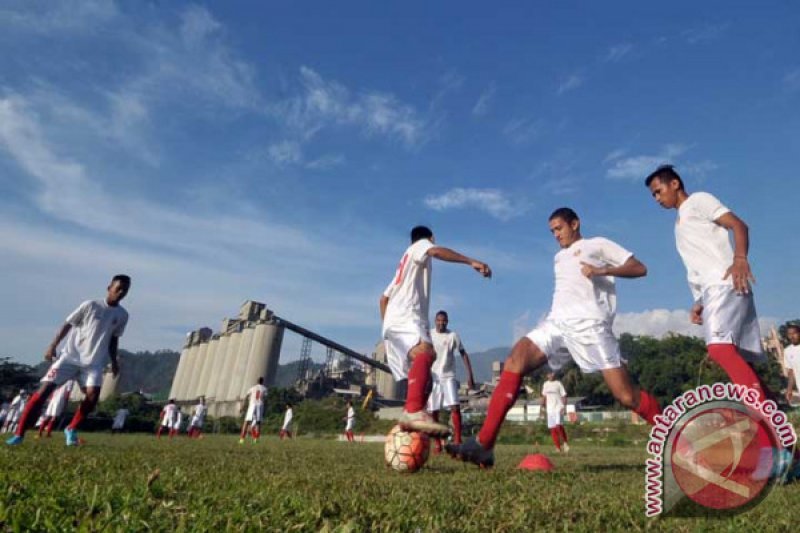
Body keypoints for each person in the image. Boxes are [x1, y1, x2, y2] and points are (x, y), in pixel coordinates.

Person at [447, 208, 662, 467]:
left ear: (575, 223)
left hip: (590, 325)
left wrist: (600, 271)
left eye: (559, 228)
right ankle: (485, 443)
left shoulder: (597, 244)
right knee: (516, 359)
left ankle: (679, 437)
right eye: (552, 231)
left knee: (627, 396)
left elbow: (639, 268)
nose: (556, 235)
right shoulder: (559, 258)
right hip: (557, 324)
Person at [645, 165, 771, 401]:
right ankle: (775, 417)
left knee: (719, 349)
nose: (656, 198)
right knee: (736, 357)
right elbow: (694, 265)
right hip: (711, 290)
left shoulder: (699, 200)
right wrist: (698, 301)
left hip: (725, 283)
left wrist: (740, 258)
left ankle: (764, 426)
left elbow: (739, 225)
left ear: (674, 184)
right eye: (653, 195)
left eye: (658, 191)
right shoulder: (678, 224)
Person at [380, 225, 491, 436]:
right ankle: (412, 412)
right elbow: (436, 251)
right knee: (427, 353)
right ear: (430, 238)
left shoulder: (403, 265)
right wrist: (471, 262)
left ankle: (414, 426)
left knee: (426, 380)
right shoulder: (421, 246)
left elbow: (383, 298)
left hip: (393, 322)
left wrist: (388, 330)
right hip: (406, 317)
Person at [6, 275, 130, 446]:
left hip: (93, 363)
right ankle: (19, 434)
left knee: (92, 397)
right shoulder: (90, 305)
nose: (122, 292)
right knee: (43, 393)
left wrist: (114, 362)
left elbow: (114, 339)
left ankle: (71, 428)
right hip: (70, 357)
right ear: (109, 287)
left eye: (125, 290)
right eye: (119, 288)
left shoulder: (122, 315)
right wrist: (53, 345)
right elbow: (68, 324)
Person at [426, 310, 476, 452]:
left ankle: (457, 440)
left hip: (448, 376)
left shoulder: (453, 336)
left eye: (444, 320)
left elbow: (463, 354)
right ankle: (437, 443)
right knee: (433, 410)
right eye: (439, 320)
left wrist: (470, 375)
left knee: (455, 407)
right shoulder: (429, 335)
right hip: (434, 377)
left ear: (447, 321)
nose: (441, 323)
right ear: (435, 321)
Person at [541, 372, 569, 453]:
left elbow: (564, 396)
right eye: (549, 374)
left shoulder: (558, 383)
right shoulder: (545, 384)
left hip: (558, 408)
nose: (551, 375)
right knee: (553, 429)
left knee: (558, 426)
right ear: (547, 375)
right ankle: (558, 448)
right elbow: (543, 396)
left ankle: (565, 443)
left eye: (552, 373)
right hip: (549, 410)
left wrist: (564, 407)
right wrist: (542, 408)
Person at [240, 378, 267, 444]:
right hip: (260, 405)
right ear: (262, 382)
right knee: (258, 423)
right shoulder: (264, 389)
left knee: (246, 422)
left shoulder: (252, 388)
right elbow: (265, 397)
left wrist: (243, 406)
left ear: (257, 381)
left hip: (252, 405)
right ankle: (256, 439)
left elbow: (246, 396)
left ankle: (242, 439)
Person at [783, 324, 800, 404]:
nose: (792, 336)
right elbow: (791, 371)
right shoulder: (787, 351)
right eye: (789, 334)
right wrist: (789, 389)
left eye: (794, 333)